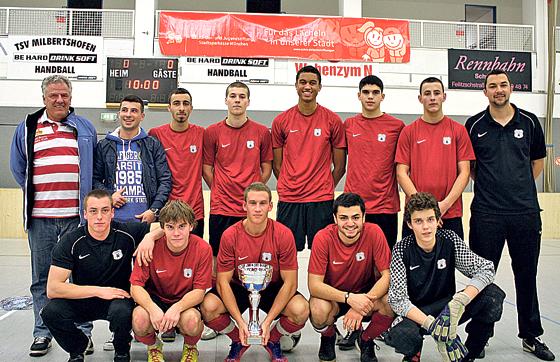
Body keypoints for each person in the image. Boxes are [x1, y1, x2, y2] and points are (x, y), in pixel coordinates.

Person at [465, 69, 555, 361]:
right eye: (492, 86)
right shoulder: (474, 124)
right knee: (482, 277)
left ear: (511, 88)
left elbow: (537, 162)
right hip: (486, 214)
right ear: (485, 92)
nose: (498, 90)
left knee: (526, 275)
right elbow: (473, 170)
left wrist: (520, 189)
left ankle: (531, 335)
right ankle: (480, 336)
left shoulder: (529, 122)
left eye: (503, 84)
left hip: (525, 214)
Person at [9, 75, 96, 357]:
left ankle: (82, 333)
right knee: (41, 279)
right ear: (44, 98)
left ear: (71, 98)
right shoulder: (27, 127)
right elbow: (17, 167)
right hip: (40, 218)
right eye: (54, 96)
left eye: (64, 95)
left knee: (80, 279)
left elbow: (93, 167)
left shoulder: (84, 127)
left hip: (76, 218)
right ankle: (42, 333)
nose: (60, 100)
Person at [386, 192, 505, 362]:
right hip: (418, 313)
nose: (426, 227)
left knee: (492, 296)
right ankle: (413, 354)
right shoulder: (402, 249)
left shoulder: (449, 239)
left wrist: (461, 300)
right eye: (418, 221)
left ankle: (467, 354)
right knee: (401, 335)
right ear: (409, 224)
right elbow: (397, 300)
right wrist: (432, 326)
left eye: (430, 219)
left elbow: (486, 268)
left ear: (438, 220)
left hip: (449, 309)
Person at [200, 182, 309, 362]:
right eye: (252, 203)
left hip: (272, 287)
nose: (257, 209)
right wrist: (241, 323)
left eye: (262, 203)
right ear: (244, 205)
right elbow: (222, 282)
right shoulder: (230, 235)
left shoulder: (283, 234)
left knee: (301, 309)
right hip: (239, 287)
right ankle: (239, 340)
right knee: (208, 307)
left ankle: (272, 339)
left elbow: (290, 283)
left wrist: (267, 323)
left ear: (270, 206)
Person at [40, 189, 152, 362]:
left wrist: (150, 238)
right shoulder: (71, 241)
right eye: (93, 211)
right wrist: (99, 291)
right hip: (84, 298)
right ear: (85, 214)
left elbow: (164, 227)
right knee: (50, 312)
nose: (99, 216)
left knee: (122, 312)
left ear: (112, 212)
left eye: (105, 210)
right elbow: (53, 289)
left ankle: (122, 349)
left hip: (118, 299)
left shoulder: (126, 232)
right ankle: (78, 347)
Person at [149, 88, 207, 343]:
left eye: (186, 103)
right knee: (163, 268)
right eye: (176, 103)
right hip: (166, 214)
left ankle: (189, 318)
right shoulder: (156, 135)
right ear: (169, 107)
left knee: (193, 268)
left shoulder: (202, 135)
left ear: (191, 108)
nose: (181, 108)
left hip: (194, 212)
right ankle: (164, 320)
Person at [308, 193, 394, 362]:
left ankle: (366, 339)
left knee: (391, 301)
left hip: (366, 296)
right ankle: (329, 336)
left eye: (355, 217)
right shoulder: (323, 238)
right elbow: (314, 285)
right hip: (335, 297)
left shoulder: (374, 232)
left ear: (364, 217)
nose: (350, 223)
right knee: (317, 309)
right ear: (335, 218)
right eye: (343, 218)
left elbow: (387, 276)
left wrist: (360, 306)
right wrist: (349, 299)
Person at [272, 65, 346, 251]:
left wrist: (325, 184)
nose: (307, 86)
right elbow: (277, 165)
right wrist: (290, 184)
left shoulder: (333, 120)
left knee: (324, 253)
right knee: (285, 253)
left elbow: (339, 166)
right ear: (296, 86)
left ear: (319, 87)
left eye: (313, 83)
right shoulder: (281, 121)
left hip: (321, 199)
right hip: (290, 199)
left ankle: (319, 283)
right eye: (303, 82)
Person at [202, 82, 273, 272]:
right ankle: (217, 295)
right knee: (218, 255)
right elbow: (207, 168)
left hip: (249, 208)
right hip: (221, 207)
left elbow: (267, 167)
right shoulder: (212, 132)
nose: (237, 100)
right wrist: (219, 187)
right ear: (226, 100)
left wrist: (253, 193)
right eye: (233, 96)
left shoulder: (261, 132)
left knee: (249, 255)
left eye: (242, 97)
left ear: (248, 101)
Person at [130, 200, 212, 361]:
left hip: (184, 301)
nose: (176, 233)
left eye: (181, 226)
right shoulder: (149, 247)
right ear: (162, 228)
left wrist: (177, 308)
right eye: (170, 227)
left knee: (192, 322)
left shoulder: (203, 249)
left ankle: (190, 347)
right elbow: (135, 287)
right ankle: (153, 347)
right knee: (139, 320)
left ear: (191, 226)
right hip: (156, 298)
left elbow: (199, 292)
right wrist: (152, 308)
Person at [395, 77, 475, 239]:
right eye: (427, 93)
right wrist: (424, 209)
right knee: (413, 263)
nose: (432, 97)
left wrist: (443, 206)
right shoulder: (408, 132)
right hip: (416, 213)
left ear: (444, 97)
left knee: (448, 263)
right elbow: (401, 173)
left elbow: (465, 173)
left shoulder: (458, 130)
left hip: (449, 213)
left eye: (437, 93)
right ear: (420, 98)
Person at [344, 75, 404, 249]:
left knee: (384, 260)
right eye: (366, 92)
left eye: (375, 92)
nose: (370, 96)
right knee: (354, 258)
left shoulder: (397, 126)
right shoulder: (348, 125)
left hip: (385, 207)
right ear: (359, 95)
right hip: (354, 205)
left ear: (382, 96)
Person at [93, 94, 171, 224]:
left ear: (142, 116)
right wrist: (109, 195)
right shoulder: (104, 145)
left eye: (134, 111)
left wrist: (154, 210)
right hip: (112, 221)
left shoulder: (152, 145)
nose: (128, 114)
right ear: (119, 114)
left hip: (144, 220)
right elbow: (94, 179)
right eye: (124, 110)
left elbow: (165, 180)